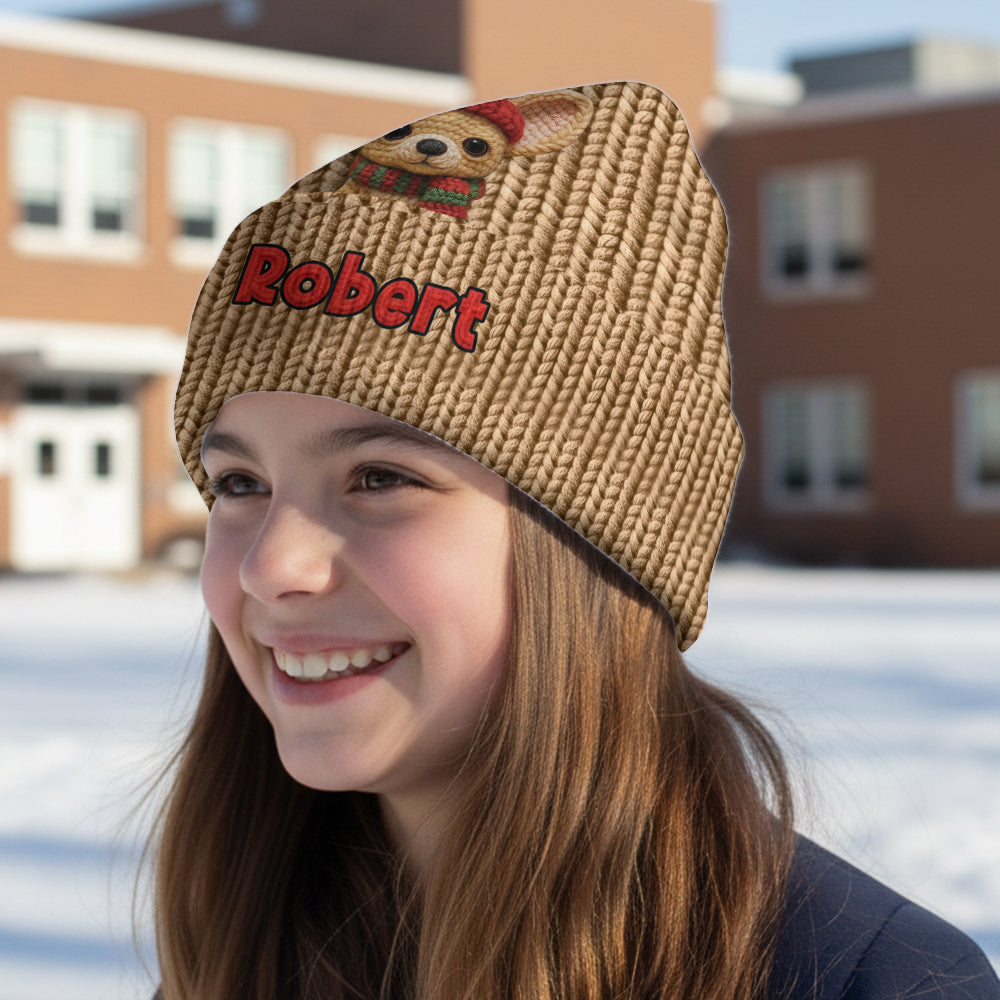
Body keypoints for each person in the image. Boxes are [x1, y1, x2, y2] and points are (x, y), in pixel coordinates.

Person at [153, 82, 999, 999]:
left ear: (599, 542)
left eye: (382, 478)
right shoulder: (240, 951)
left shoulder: (878, 984)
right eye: (240, 484)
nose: (272, 566)